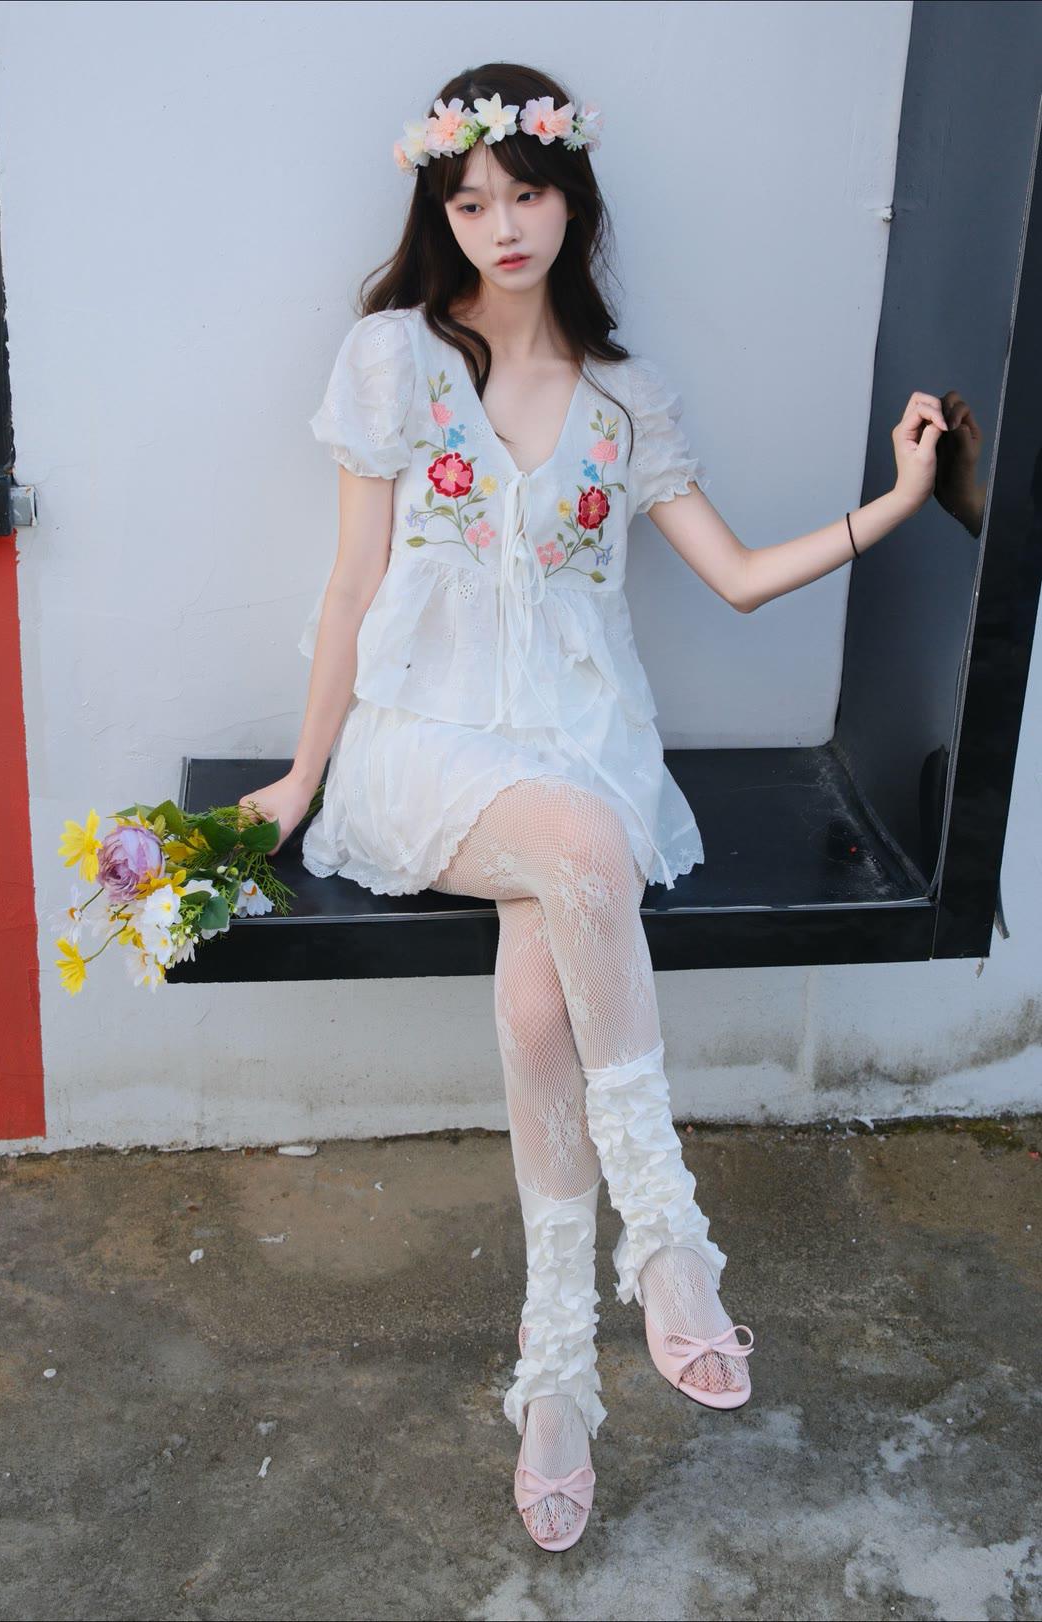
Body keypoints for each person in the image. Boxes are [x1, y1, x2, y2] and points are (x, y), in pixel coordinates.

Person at [239, 62, 946, 1552]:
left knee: (539, 998)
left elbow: (736, 577)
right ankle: (670, 1238)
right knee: (574, 847)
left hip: (582, 747)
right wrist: (303, 773)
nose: (502, 226)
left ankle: (556, 1373)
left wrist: (889, 503)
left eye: (528, 194)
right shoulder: (395, 361)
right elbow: (353, 585)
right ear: (440, 213)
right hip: (427, 748)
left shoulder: (627, 402)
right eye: (471, 202)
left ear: (573, 202)